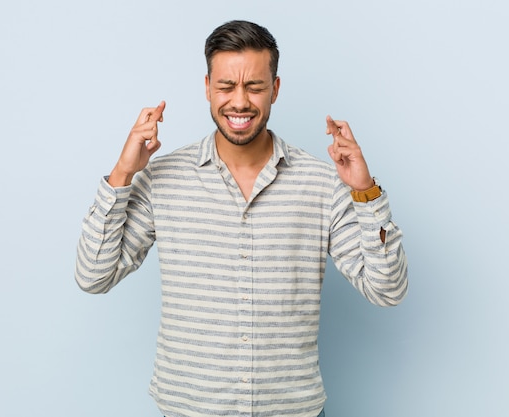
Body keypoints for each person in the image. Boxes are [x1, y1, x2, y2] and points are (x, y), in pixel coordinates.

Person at [75, 20, 407, 417]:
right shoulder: (162, 178)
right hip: (188, 409)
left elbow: (387, 290)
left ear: (275, 90)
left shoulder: (322, 183)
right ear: (207, 88)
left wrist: (365, 192)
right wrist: (122, 175)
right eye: (226, 86)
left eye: (254, 87)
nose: (240, 102)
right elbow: (93, 276)